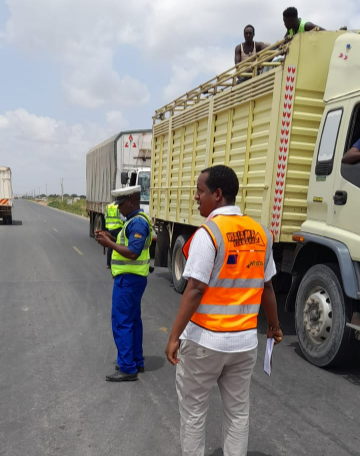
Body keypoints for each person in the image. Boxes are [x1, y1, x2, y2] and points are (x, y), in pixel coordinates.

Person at [165, 165, 283, 456]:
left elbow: (194, 289)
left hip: (206, 342)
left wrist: (174, 336)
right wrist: (274, 326)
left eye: (200, 191)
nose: (196, 197)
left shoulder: (209, 234)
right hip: (244, 344)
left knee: (193, 413)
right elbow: (267, 287)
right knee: (238, 413)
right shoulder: (262, 234)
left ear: (217, 195)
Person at [96, 185, 152, 382]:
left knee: (122, 322)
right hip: (134, 279)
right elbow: (129, 245)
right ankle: (136, 361)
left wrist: (109, 244)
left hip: (128, 280)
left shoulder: (137, 223)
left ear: (132, 202)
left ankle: (128, 367)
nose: (118, 208)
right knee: (133, 321)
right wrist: (109, 237)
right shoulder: (133, 221)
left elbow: (133, 252)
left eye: (121, 204)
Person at [104, 201, 124, 269]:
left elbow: (105, 217)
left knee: (110, 246)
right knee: (118, 245)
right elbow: (122, 218)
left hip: (110, 229)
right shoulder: (118, 206)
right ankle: (117, 263)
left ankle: (108, 263)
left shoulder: (108, 206)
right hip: (117, 228)